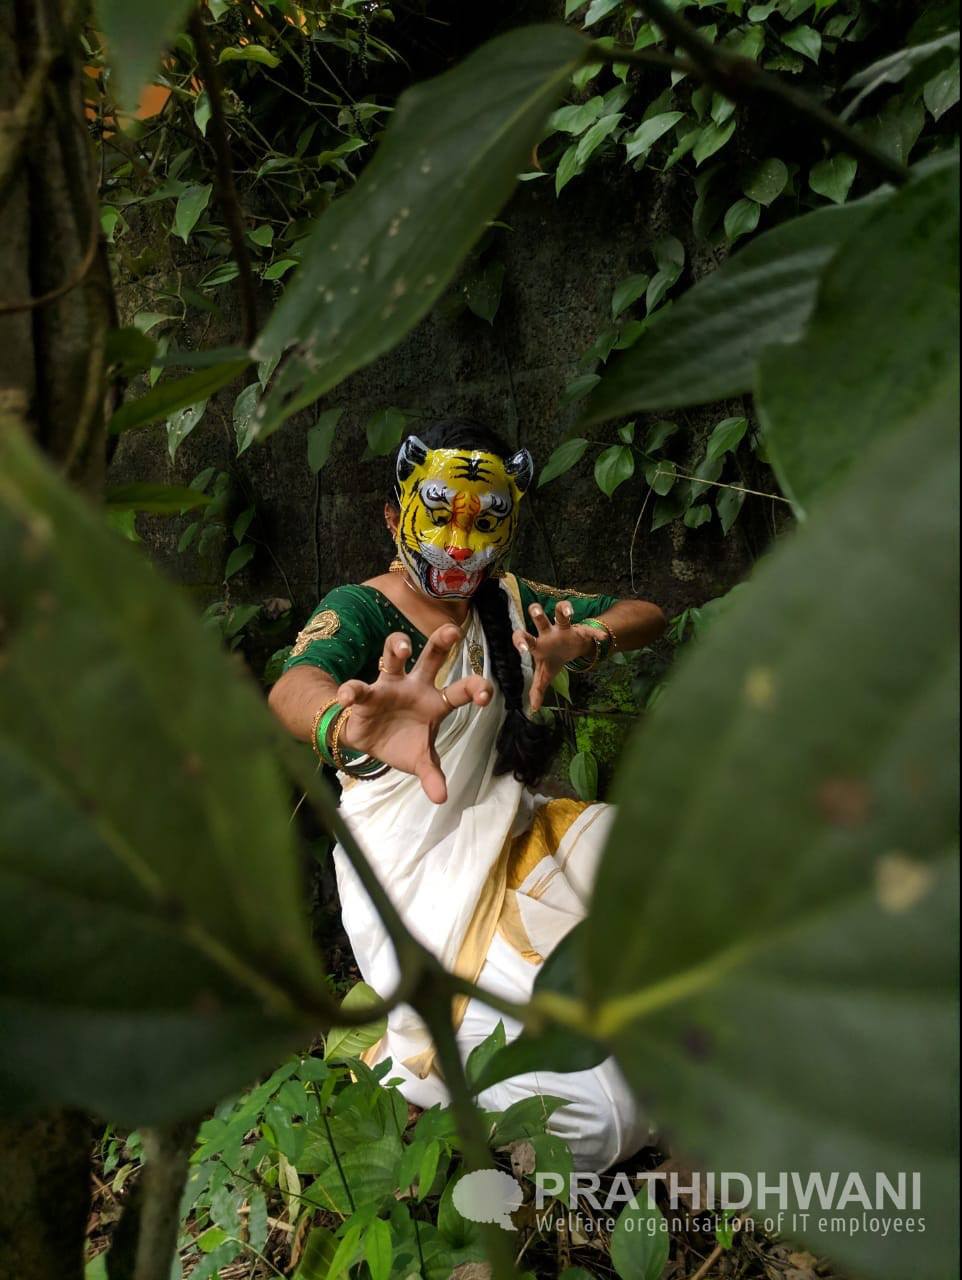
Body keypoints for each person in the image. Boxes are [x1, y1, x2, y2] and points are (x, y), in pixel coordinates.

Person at [268, 419, 666, 1170]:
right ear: (393, 517)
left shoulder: (508, 596)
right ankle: (420, 1074)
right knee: (611, 1111)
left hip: (514, 832)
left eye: (484, 523)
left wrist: (583, 639)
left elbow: (644, 613)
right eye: (440, 515)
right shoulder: (362, 610)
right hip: (420, 883)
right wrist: (346, 723)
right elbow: (293, 688)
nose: (459, 545)